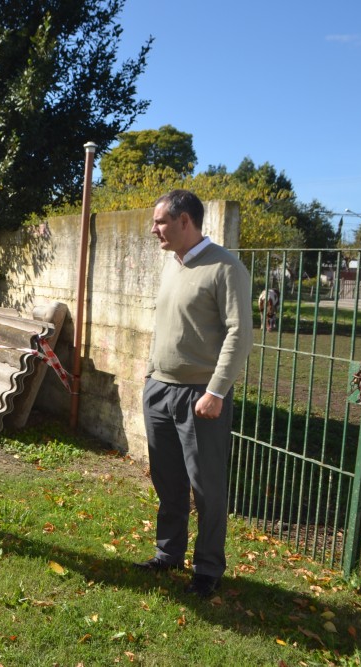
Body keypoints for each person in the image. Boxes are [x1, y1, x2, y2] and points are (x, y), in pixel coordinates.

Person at [137, 190, 253, 598]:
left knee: (207, 486)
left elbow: (240, 334)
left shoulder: (225, 267)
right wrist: (151, 376)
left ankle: (208, 568)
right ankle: (168, 554)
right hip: (160, 389)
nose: (154, 230)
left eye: (160, 222)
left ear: (185, 220)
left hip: (200, 397)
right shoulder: (173, 264)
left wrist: (217, 391)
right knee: (168, 482)